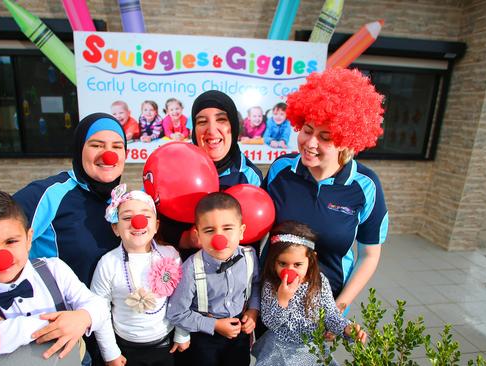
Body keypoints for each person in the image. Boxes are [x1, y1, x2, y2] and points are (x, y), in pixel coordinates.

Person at [0, 112, 127, 364]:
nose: (109, 155)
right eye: (96, 145)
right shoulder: (49, 194)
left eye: (117, 147)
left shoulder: (119, 200)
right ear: (78, 149)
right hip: (56, 323)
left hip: (99, 319)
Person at [263, 68, 388, 312]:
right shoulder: (281, 170)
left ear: (347, 139)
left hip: (325, 304)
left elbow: (369, 256)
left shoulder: (365, 185)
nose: (310, 143)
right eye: (308, 130)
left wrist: (339, 307)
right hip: (274, 299)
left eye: (325, 137)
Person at [0, 186, 108, 364]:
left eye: (11, 241)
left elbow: (99, 305)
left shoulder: (54, 269)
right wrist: (50, 324)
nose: (0, 257)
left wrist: (84, 316)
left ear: (29, 239)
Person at [91, 185, 189, 366]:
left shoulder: (170, 255)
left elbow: (182, 297)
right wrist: (110, 352)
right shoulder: (107, 263)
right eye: (127, 218)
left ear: (156, 226)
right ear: (115, 228)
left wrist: (182, 333)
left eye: (146, 216)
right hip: (124, 349)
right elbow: (99, 310)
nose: (138, 222)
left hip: (165, 344)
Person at [157, 90, 263, 253]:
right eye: (202, 122)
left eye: (221, 120)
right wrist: (184, 239)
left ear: (233, 126)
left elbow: (253, 238)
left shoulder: (249, 177)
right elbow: (154, 220)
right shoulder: (174, 169)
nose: (212, 131)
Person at [252, 221, 366, 366]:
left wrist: (346, 328)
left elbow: (330, 315)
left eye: (297, 265)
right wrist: (282, 301)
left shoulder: (319, 281)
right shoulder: (271, 283)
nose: (290, 270)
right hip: (278, 348)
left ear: (311, 260)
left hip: (311, 348)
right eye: (282, 263)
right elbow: (270, 322)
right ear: (274, 261)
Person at [166, 192, 260, 366]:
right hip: (204, 337)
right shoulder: (191, 268)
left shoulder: (249, 257)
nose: (219, 238)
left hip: (239, 334)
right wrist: (214, 325)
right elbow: (176, 313)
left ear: (241, 231)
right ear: (198, 235)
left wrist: (253, 311)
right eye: (209, 230)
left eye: (227, 228)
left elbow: (255, 284)